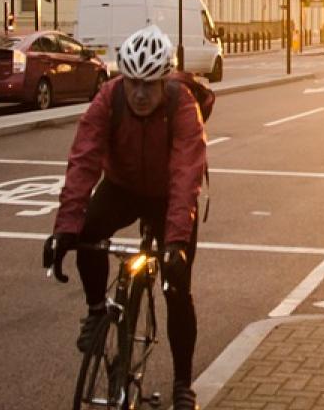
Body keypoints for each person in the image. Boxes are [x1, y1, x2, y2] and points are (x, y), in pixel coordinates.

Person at [43, 25, 208, 409]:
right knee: (87, 232)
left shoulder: (183, 105)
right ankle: (96, 311)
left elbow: (186, 175)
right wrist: (64, 230)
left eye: (149, 85)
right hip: (123, 187)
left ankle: (183, 384)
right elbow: (84, 159)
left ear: (164, 81)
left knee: (177, 290)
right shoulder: (109, 98)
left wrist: (176, 243)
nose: (139, 93)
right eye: (132, 82)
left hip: (168, 195)